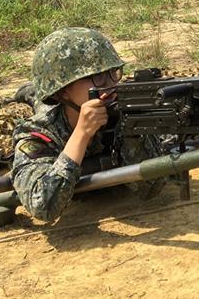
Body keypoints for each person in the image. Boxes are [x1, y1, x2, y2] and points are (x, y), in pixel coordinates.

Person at [12, 27, 127, 222]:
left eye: (113, 73)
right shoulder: (36, 133)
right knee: (42, 107)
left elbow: (154, 185)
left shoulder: (121, 111)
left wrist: (136, 131)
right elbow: (43, 207)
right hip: (56, 112)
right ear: (63, 91)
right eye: (98, 77)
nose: (111, 84)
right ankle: (32, 93)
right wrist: (82, 134)